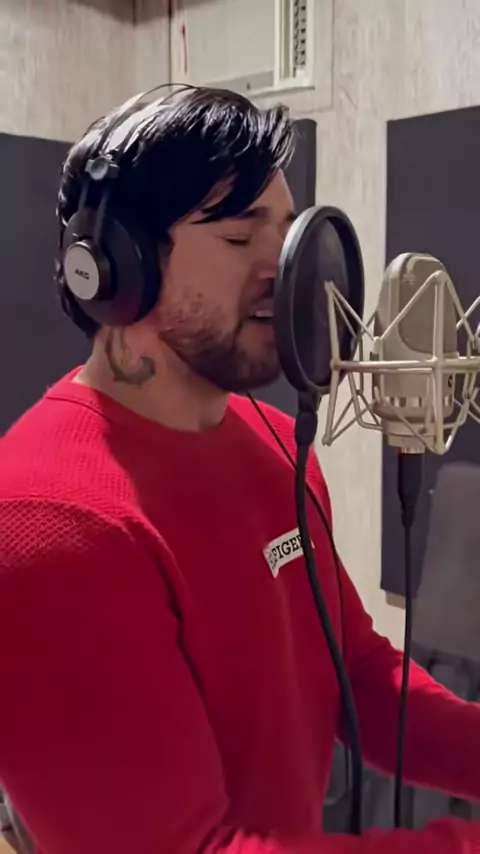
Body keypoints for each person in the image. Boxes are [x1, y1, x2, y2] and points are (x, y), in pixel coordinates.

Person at [0, 85, 479, 854]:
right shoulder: (50, 524)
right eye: (237, 236)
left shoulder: (278, 443)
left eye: (287, 236)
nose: (285, 271)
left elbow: (355, 671)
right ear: (118, 264)